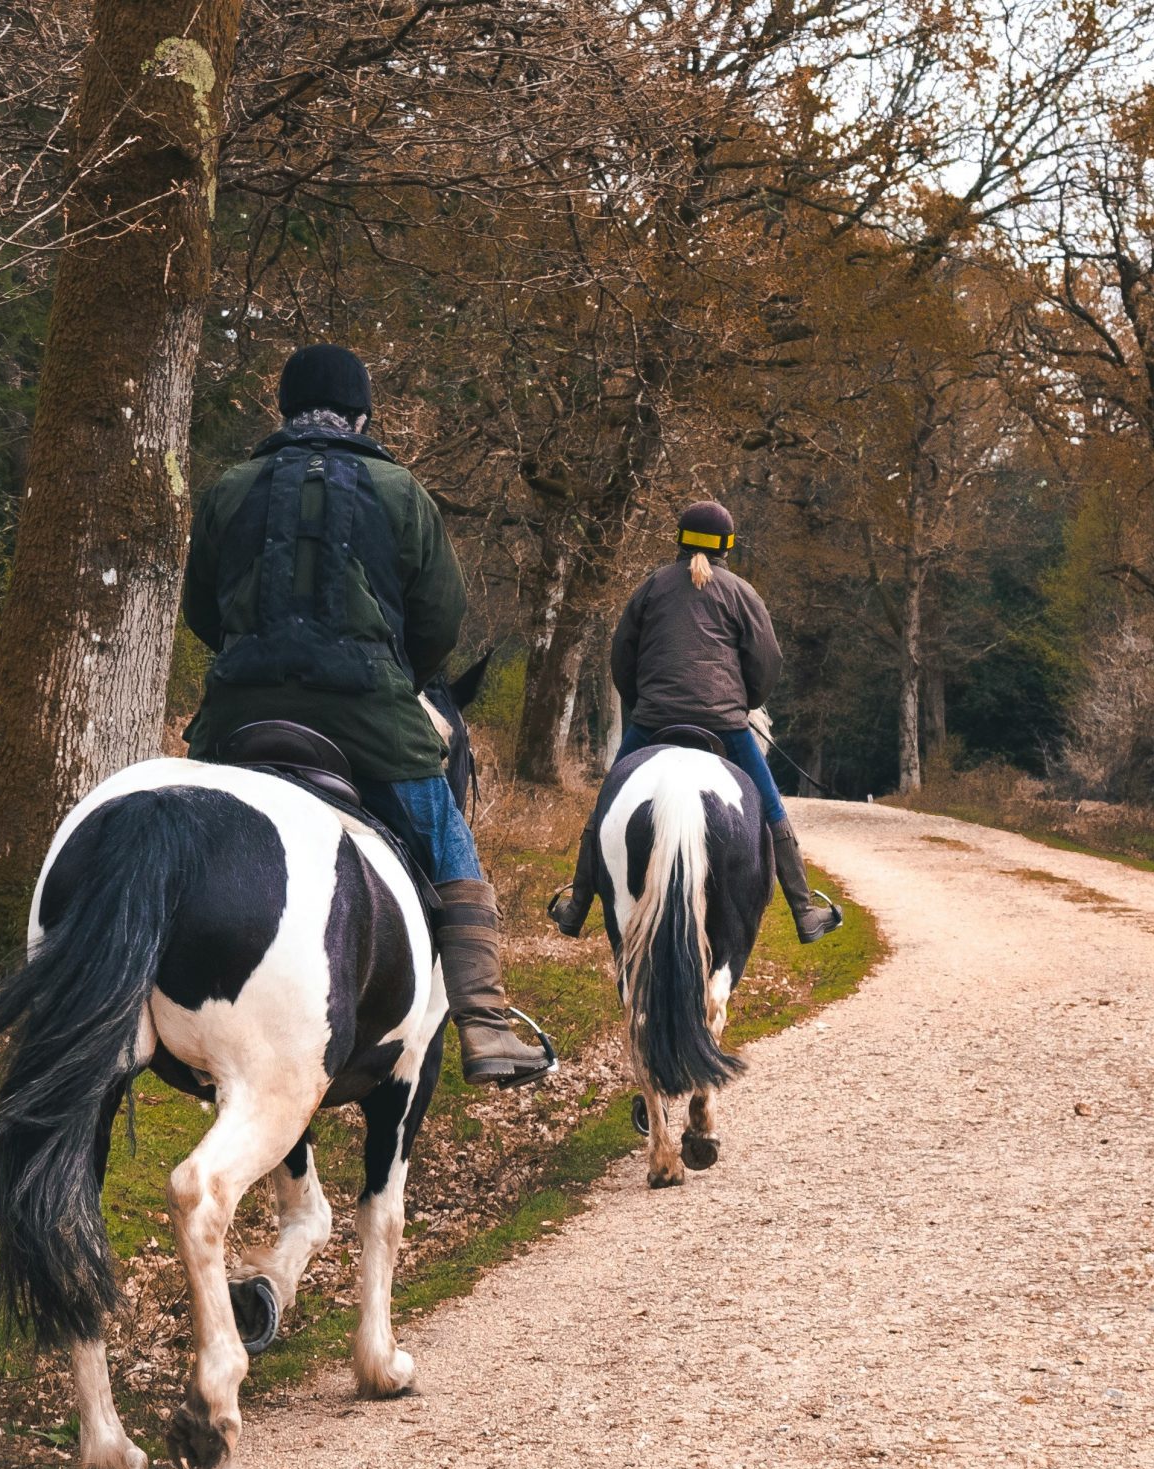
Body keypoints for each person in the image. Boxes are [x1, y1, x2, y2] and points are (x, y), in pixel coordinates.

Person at [178, 343, 551, 1088]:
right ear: (361, 413)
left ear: (283, 410)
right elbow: (440, 620)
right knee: (449, 842)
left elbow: (202, 610)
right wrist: (393, 672)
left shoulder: (230, 488)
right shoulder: (400, 490)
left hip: (235, 718)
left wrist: (257, 655)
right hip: (371, 720)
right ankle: (483, 1021)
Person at [546, 499, 842, 944]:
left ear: (680, 539)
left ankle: (576, 906)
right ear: (727, 545)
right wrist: (746, 703)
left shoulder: (650, 588)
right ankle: (804, 911)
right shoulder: (742, 593)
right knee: (772, 807)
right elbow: (767, 661)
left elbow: (622, 658)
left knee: (606, 803)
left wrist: (643, 703)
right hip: (724, 725)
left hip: (652, 722)